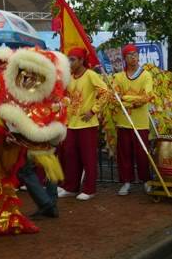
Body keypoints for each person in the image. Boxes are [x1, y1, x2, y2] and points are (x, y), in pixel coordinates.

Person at [58, 48, 107, 201]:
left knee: (88, 158)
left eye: (72, 59)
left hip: (87, 124)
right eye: (68, 59)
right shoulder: (69, 78)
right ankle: (71, 187)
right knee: (70, 156)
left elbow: (106, 93)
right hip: (71, 124)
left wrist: (93, 111)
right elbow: (66, 97)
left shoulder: (91, 75)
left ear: (81, 60)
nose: (69, 62)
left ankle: (89, 189)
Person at [113, 44, 153, 196]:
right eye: (129, 55)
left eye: (135, 54)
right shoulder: (119, 77)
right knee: (124, 153)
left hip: (140, 122)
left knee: (142, 153)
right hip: (123, 121)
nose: (133, 57)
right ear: (124, 58)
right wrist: (128, 99)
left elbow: (147, 97)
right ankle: (126, 182)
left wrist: (125, 98)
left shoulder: (146, 76)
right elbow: (114, 98)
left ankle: (146, 181)